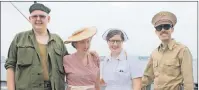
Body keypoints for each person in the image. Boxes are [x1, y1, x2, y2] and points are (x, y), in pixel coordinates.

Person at [4, 3, 68, 90]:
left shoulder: (58, 40)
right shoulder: (19, 38)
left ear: (48, 19)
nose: (38, 19)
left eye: (42, 16)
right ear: (30, 19)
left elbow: (69, 64)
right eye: (34, 16)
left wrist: (88, 54)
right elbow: (10, 66)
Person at [142, 11, 194, 90]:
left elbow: (188, 82)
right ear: (156, 32)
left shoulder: (182, 50)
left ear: (172, 29)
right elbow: (147, 77)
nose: (163, 30)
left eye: (166, 26)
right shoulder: (154, 53)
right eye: (159, 28)